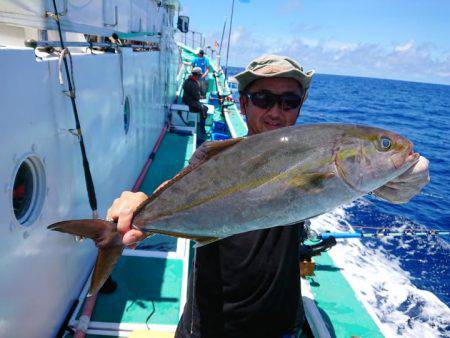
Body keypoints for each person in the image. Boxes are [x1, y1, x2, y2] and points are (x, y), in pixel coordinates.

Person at [104, 55, 430, 337]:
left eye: (290, 102)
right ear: (243, 103)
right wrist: (141, 205)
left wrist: (403, 180)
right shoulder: (214, 156)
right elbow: (181, 184)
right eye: (263, 99)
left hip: (281, 324)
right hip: (210, 327)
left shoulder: (317, 155)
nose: (277, 112)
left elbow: (380, 188)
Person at [182, 67, 208, 141]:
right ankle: (202, 130)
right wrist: (201, 96)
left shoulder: (187, 81)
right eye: (199, 75)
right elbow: (196, 97)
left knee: (203, 107)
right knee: (204, 109)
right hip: (190, 103)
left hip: (186, 100)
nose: (200, 76)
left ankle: (201, 127)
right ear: (196, 75)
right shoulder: (194, 83)